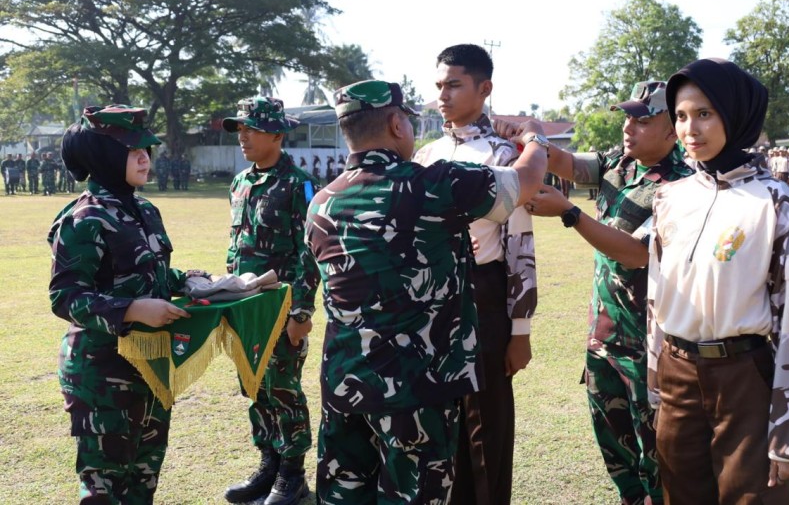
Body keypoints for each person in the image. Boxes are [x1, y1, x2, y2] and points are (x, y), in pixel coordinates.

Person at [304, 79, 548, 504]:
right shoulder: (433, 184)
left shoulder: (322, 202)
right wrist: (535, 138)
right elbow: (525, 181)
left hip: (344, 386)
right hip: (412, 392)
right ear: (397, 124)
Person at [499, 80, 693, 505]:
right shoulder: (616, 165)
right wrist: (530, 135)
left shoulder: (683, 184)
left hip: (650, 344)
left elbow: (637, 254)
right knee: (615, 445)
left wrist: (570, 213)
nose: (629, 126)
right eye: (627, 117)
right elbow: (563, 162)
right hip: (604, 337)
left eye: (643, 119)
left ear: (671, 127)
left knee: (657, 452)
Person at [647, 58, 789, 504]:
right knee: (679, 494)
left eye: (704, 113)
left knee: (753, 497)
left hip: (745, 377)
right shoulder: (669, 198)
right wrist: (656, 387)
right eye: (681, 116)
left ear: (736, 114)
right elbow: (656, 295)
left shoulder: (778, 203)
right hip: (677, 372)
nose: (690, 128)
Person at [48, 105, 205, 504]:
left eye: (146, 149)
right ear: (102, 155)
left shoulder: (145, 210)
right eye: (130, 149)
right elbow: (65, 297)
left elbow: (149, 274)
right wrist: (133, 310)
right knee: (105, 489)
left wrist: (189, 281)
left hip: (150, 366)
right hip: (102, 375)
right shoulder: (85, 217)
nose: (143, 157)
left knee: (143, 480)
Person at [413, 44, 537, 505]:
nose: (443, 95)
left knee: (487, 423)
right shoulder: (426, 154)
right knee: (440, 421)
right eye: (439, 85)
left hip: (483, 295)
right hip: (432, 299)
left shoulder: (507, 154)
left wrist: (519, 329)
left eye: (454, 84)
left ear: (484, 89)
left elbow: (520, 246)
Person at [222, 96, 321, 505]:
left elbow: (311, 251)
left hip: (281, 307)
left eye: (252, 128)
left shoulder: (299, 185)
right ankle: (268, 463)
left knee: (283, 387)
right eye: (239, 128)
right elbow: (234, 248)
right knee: (254, 385)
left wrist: (301, 310)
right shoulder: (240, 182)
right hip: (245, 307)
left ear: (277, 134)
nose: (243, 136)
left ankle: (292, 475)